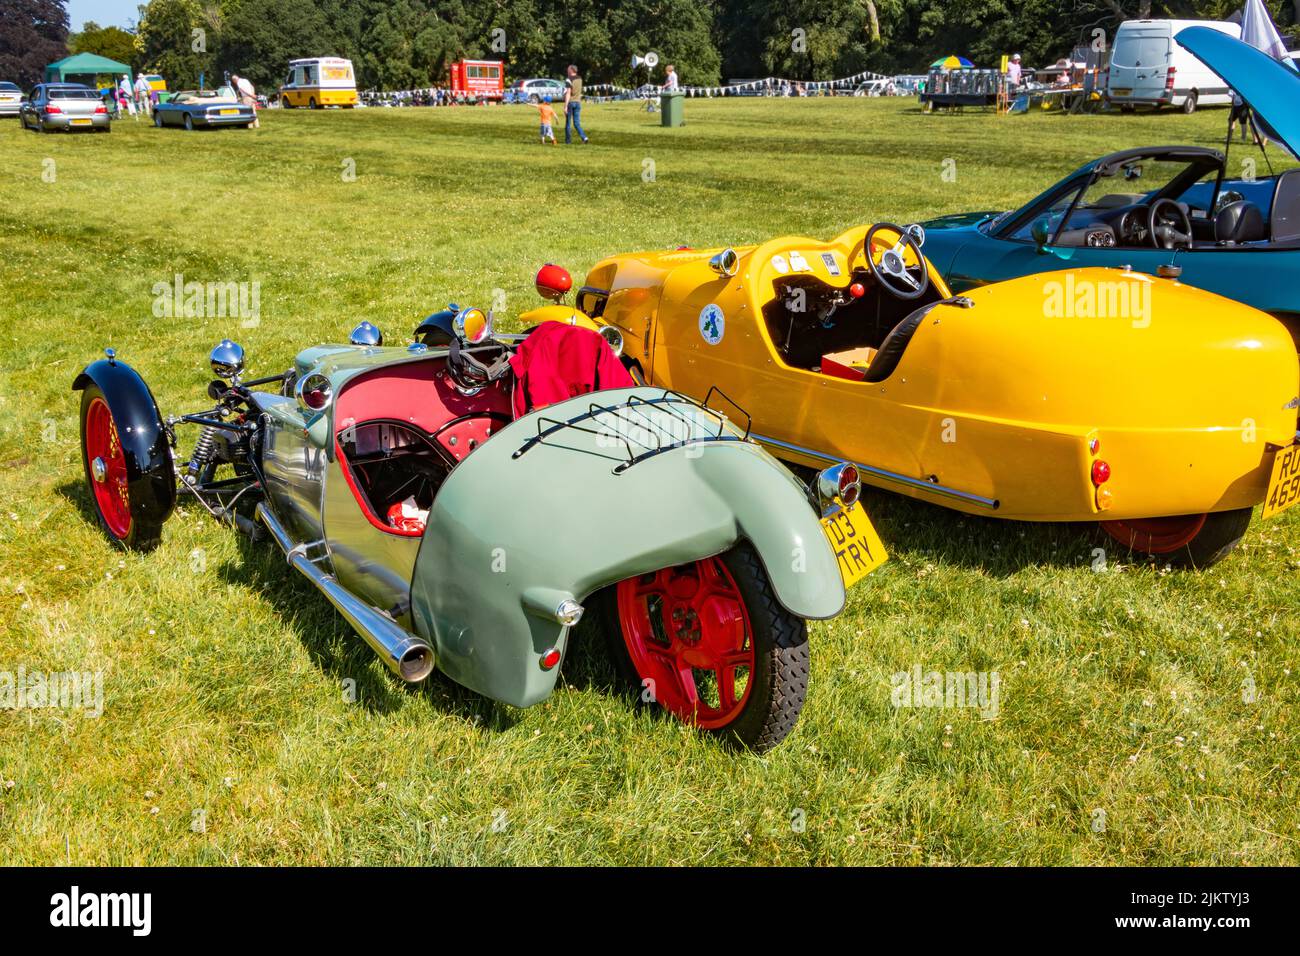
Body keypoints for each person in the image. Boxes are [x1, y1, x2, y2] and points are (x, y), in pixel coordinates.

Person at [562, 64, 587, 144]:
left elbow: (568, 93)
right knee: (576, 123)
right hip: (578, 102)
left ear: (571, 70)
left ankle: (568, 141)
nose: (567, 70)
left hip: (571, 103)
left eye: (568, 69)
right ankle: (584, 137)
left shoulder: (568, 79)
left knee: (568, 123)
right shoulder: (580, 79)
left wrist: (565, 106)